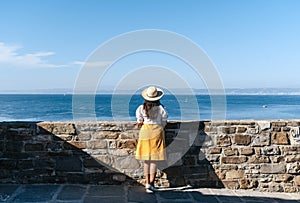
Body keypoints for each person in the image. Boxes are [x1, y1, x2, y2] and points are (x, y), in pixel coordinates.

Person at [135, 86, 168, 193]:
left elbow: (139, 120)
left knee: (146, 160)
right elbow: (164, 121)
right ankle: (152, 184)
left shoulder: (141, 108)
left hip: (145, 131)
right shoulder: (161, 109)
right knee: (153, 160)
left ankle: (147, 182)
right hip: (156, 131)